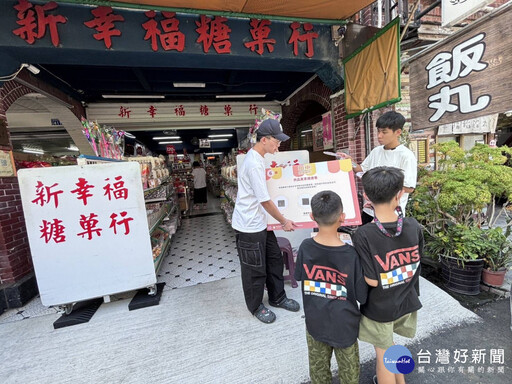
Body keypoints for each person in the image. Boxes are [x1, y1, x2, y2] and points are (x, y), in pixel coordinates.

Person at [352, 167, 423, 384]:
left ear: (366, 197)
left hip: (381, 307)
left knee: (382, 354)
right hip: (406, 301)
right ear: (399, 193)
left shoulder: (363, 234)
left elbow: (372, 280)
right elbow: (416, 262)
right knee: (392, 345)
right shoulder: (413, 226)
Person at [294, 191, 367, 384]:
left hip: (315, 323)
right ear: (342, 217)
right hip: (345, 326)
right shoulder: (351, 254)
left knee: (319, 375)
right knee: (349, 375)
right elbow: (362, 295)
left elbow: (301, 277)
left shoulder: (305, 247)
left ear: (312, 217)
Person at [232, 118, 300, 323]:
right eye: (276, 140)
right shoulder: (253, 163)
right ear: (264, 139)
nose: (279, 144)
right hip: (248, 226)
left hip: (261, 223)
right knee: (254, 269)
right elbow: (265, 201)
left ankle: (278, 297)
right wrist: (284, 221)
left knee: (274, 259)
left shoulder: (258, 158)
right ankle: (255, 307)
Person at [338, 111, 417, 224]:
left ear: (398, 132)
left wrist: (381, 184)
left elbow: (409, 188)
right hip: (369, 211)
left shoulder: (406, 156)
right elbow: (362, 169)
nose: (379, 136)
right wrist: (350, 162)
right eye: (378, 131)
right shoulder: (376, 151)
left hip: (391, 215)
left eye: (384, 132)